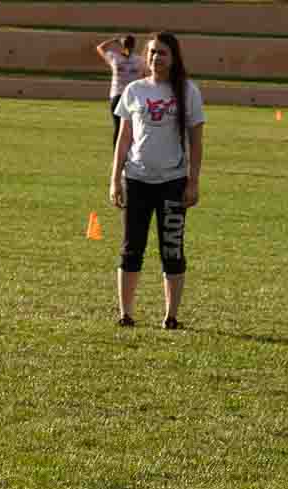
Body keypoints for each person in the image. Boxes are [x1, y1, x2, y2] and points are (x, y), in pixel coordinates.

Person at [109, 32, 205, 330]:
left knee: (172, 249)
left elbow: (196, 141)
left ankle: (171, 316)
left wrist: (193, 181)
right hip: (136, 180)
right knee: (131, 248)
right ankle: (126, 313)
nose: (155, 58)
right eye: (151, 52)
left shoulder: (187, 91)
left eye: (162, 52)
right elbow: (123, 139)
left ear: (173, 57)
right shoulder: (134, 90)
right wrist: (115, 180)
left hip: (173, 182)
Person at [96, 34, 144, 146]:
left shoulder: (114, 58)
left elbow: (100, 48)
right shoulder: (139, 60)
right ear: (134, 45)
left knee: (118, 128)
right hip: (133, 97)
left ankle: (117, 154)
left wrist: (114, 40)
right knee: (133, 128)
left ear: (122, 45)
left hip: (117, 96)